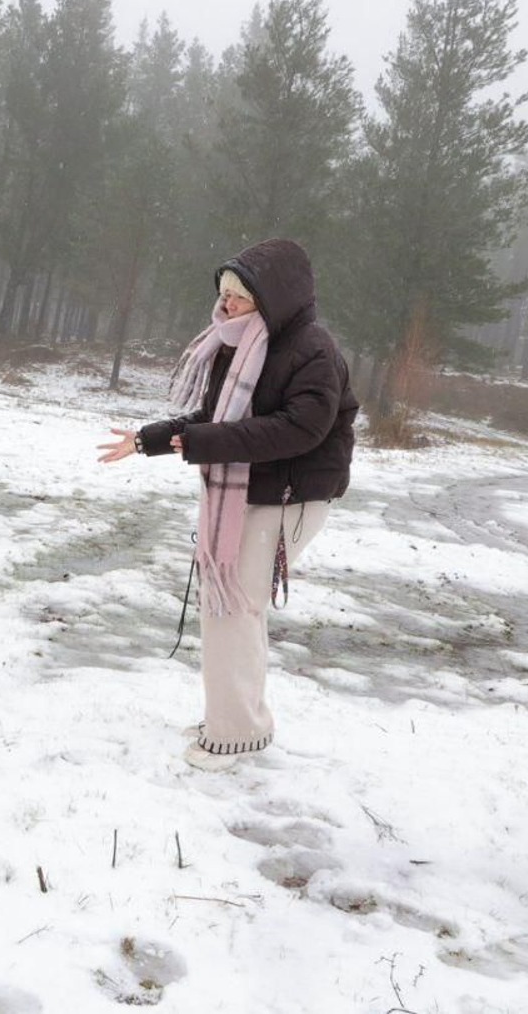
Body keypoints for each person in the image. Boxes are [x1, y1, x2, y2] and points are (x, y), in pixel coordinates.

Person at [99, 238, 357, 771]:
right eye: (223, 295)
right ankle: (237, 718)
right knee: (234, 610)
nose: (226, 306)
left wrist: (203, 443)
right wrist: (152, 439)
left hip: (289, 498)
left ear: (272, 297)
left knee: (234, 609)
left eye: (238, 297)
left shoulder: (312, 349)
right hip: (252, 496)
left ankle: (236, 731)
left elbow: (300, 429)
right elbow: (216, 418)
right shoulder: (243, 344)